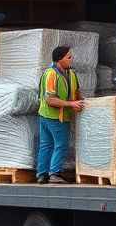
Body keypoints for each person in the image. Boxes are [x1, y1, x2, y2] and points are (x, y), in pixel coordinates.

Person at [36, 46, 84, 184]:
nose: (71, 59)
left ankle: (42, 174)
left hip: (52, 116)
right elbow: (50, 99)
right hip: (54, 116)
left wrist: (82, 102)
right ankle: (54, 173)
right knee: (61, 145)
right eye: (68, 57)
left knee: (46, 145)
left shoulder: (71, 74)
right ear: (59, 59)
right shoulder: (51, 74)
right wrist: (71, 105)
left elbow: (76, 93)